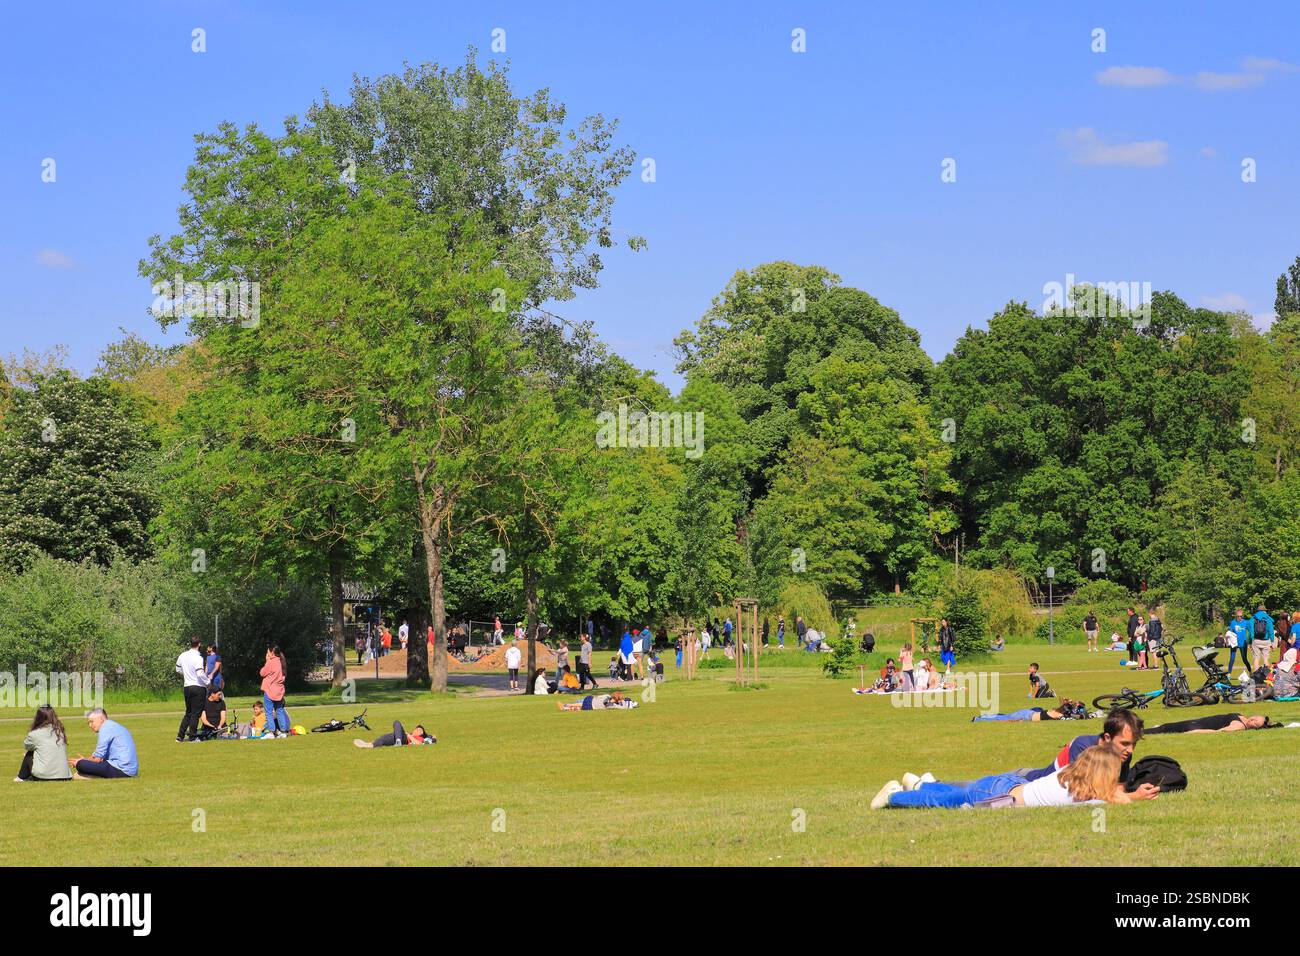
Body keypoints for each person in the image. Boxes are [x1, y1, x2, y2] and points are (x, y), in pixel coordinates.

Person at [873, 746, 1156, 810]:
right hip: (999, 798)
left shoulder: (1068, 775)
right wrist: (1134, 796)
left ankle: (921, 782)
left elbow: (1107, 795)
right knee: (943, 803)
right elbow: (1110, 801)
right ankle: (894, 796)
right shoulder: (1079, 798)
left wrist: (1130, 794)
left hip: (1007, 783)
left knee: (958, 793)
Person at [1015, 708, 1143, 783]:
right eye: (1125, 743)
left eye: (1134, 744)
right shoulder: (1082, 746)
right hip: (1024, 779)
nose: (1130, 750)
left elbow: (1120, 786)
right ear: (1108, 737)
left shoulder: (1123, 754)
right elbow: (1078, 789)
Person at [71, 709, 138, 779]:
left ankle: (92, 776)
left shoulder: (105, 728)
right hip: (130, 770)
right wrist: (85, 759)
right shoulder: (112, 725)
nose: (90, 725)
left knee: (81, 765)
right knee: (84, 763)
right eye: (88, 723)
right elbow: (100, 757)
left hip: (122, 770)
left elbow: (97, 759)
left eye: (91, 721)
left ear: (101, 719)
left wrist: (81, 761)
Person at [15, 705, 72, 782]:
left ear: (38, 717)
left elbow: (27, 746)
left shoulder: (35, 734)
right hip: (65, 775)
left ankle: (21, 777)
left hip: (43, 776)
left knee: (30, 753)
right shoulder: (60, 732)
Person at [175, 637, 210, 743]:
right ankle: (193, 737)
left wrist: (186, 674)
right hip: (198, 687)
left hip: (187, 686)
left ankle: (180, 736)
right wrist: (208, 682)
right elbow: (200, 673)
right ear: (199, 644)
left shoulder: (183, 655)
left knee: (188, 712)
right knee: (195, 713)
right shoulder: (198, 657)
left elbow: (178, 669)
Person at [260, 646, 291, 737]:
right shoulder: (281, 662)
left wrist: (267, 661)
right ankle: (284, 731)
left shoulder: (271, 662)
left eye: (267, 652)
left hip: (270, 690)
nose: (267, 654)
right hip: (279, 691)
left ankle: (271, 732)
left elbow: (262, 673)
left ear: (272, 652)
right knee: (279, 710)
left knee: (269, 712)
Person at [1145, 713, 1275, 734]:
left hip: (1196, 726)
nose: (1253, 720)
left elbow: (1217, 732)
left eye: (1255, 722)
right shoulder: (1242, 717)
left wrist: (1195, 732)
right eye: (1256, 717)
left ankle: (1137, 732)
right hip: (1199, 721)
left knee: (1164, 728)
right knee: (1164, 726)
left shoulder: (1239, 726)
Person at [972, 699, 1087, 722]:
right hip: (1026, 716)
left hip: (1028, 714)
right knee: (1003, 719)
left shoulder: (1059, 711)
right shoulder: (1059, 714)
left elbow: (1072, 714)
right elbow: (1076, 717)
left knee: (1005, 716)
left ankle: (985, 716)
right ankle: (978, 719)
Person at [353, 721, 436, 748]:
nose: (416, 730)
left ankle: (398, 741)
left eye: (419, 729)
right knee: (384, 737)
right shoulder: (410, 733)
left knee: (397, 722)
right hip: (398, 736)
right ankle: (369, 745)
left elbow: (419, 744)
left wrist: (409, 736)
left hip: (404, 739)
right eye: (416, 728)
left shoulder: (419, 738)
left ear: (421, 733)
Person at [1251, 604, 1276, 671]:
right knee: (1265, 659)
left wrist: (1250, 641)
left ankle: (1256, 675)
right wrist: (1273, 642)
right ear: (1264, 611)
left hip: (1256, 640)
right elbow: (1271, 631)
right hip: (1266, 641)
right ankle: (1267, 675)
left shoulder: (1253, 618)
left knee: (1256, 658)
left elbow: (1251, 630)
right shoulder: (1268, 618)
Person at [1228, 607, 1252, 673]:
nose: (1239, 618)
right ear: (1236, 616)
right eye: (1238, 616)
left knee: (1244, 659)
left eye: (1241, 616)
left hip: (1243, 643)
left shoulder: (1246, 622)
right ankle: (1229, 674)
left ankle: (1250, 672)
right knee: (1232, 659)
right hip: (1235, 643)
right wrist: (1228, 640)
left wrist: (1250, 642)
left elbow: (1251, 631)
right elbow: (1230, 632)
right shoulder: (1233, 623)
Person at [557, 692, 638, 712]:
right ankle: (566, 708)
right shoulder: (612, 705)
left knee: (581, 704)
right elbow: (624, 707)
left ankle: (566, 705)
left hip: (590, 699)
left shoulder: (607, 696)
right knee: (580, 707)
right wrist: (622, 700)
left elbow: (598, 697)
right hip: (590, 706)